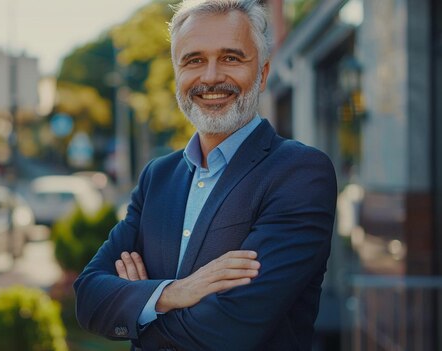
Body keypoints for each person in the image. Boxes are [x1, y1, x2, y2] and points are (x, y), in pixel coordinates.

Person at [74, 0, 337, 350]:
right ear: (177, 74)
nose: (211, 76)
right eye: (194, 60)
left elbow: (231, 330)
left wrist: (139, 304)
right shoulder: (158, 177)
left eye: (231, 58)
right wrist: (174, 293)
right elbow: (88, 298)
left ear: (262, 73)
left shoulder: (299, 173)